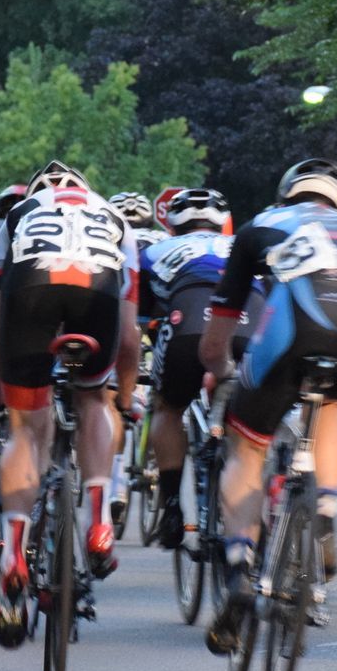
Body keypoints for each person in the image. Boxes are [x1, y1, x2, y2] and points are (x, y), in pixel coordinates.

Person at [200, 158, 337, 654]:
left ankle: (242, 564)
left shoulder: (260, 227)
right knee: (333, 402)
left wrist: (223, 374)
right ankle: (325, 508)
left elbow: (217, 335)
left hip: (289, 335)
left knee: (246, 445)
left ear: (285, 196)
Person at [0, 161, 140, 647]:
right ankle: (99, 522)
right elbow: (129, 336)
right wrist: (123, 397)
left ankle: (14, 553)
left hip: (31, 295)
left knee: (27, 430)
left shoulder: (19, 214)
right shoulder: (114, 216)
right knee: (92, 399)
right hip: (99, 295)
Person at [137, 187, 256, 548]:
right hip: (247, 323)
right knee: (253, 424)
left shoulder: (154, 250)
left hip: (187, 323)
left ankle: (171, 505)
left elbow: (144, 320)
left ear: (172, 225)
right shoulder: (241, 245)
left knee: (168, 406)